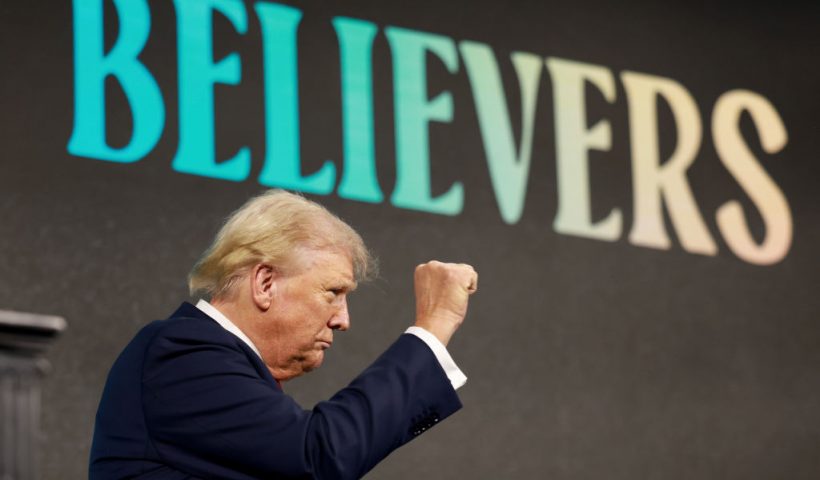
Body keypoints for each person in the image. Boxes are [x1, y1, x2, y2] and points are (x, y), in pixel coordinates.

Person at [90, 190, 478, 479]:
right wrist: (435, 322)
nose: (343, 319)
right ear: (264, 282)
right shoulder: (179, 353)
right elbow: (318, 455)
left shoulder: (214, 365)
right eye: (333, 292)